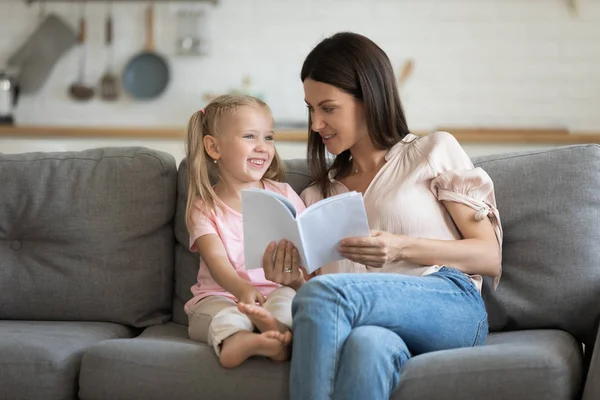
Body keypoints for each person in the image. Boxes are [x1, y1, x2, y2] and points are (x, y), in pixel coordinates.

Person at [262, 32, 503, 400]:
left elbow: (488, 255)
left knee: (327, 295)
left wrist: (401, 248)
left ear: (368, 97)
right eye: (311, 109)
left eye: (328, 108)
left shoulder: (430, 152)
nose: (315, 124)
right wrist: (294, 282)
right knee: (365, 348)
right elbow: (329, 302)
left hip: (449, 303)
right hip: (371, 325)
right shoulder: (316, 195)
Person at [183, 94, 306, 368]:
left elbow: (304, 243)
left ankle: (277, 333)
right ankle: (239, 341)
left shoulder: (283, 194)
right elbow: (216, 261)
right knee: (223, 316)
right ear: (214, 148)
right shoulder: (206, 207)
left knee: (288, 301)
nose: (262, 147)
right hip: (221, 295)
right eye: (250, 136)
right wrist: (241, 288)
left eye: (269, 138)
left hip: (277, 290)